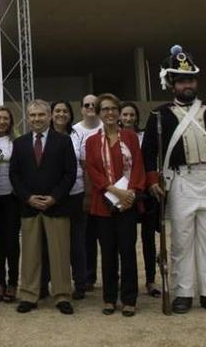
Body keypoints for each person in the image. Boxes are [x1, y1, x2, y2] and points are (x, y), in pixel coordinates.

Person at [143, 45, 206, 315]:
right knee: (181, 241)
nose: (187, 84)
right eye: (182, 80)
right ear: (172, 84)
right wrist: (153, 180)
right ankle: (183, 293)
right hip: (181, 181)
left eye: (191, 79)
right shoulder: (159, 114)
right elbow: (148, 150)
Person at [10, 99, 78, 315]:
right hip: (29, 207)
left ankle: (62, 296)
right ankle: (29, 295)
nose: (36, 119)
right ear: (27, 118)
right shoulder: (19, 143)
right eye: (32, 115)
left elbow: (70, 174)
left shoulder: (63, 141)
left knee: (59, 254)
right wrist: (28, 198)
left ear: (49, 116)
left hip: (56, 207)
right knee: (30, 254)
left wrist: (54, 198)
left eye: (41, 115)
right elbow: (15, 175)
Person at [85, 94, 146, 317]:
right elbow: (92, 170)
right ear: (99, 113)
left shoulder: (130, 138)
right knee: (108, 253)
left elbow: (138, 166)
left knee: (128, 252)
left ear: (119, 112)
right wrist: (114, 190)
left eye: (113, 109)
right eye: (104, 109)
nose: (109, 113)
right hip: (103, 203)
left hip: (128, 204)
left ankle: (129, 298)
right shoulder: (92, 141)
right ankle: (110, 298)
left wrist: (131, 194)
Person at [40, 100, 88, 300]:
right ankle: (44, 283)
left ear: (70, 115)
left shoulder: (78, 135)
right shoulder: (43, 136)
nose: (61, 114)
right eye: (57, 111)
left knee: (76, 242)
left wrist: (88, 195)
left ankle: (80, 283)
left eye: (65, 111)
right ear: (51, 114)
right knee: (48, 242)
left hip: (75, 194)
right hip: (52, 196)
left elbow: (85, 166)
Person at [120, 101, 161, 298]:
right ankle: (127, 281)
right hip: (123, 193)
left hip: (146, 193)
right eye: (125, 115)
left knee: (148, 240)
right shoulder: (113, 137)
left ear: (136, 117)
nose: (128, 118)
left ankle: (151, 280)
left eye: (131, 115)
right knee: (125, 240)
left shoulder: (145, 136)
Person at [0, 106, 20, 303]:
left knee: (12, 242)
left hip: (12, 198)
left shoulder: (16, 142)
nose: (1, 121)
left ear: (10, 121)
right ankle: (0, 283)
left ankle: (13, 283)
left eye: (5, 118)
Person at [73, 94, 101, 291]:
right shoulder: (74, 130)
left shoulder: (106, 127)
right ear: (81, 109)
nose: (90, 107)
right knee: (86, 237)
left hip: (107, 189)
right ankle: (88, 277)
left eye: (94, 105)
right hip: (83, 190)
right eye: (87, 105)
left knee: (107, 237)